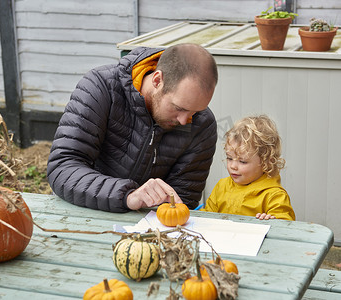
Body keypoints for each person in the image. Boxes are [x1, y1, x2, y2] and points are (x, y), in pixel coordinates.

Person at [47, 43, 218, 213]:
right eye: (179, 108)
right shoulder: (101, 87)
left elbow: (183, 198)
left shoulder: (202, 124)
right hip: (81, 212)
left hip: (144, 229)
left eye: (195, 111)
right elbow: (63, 167)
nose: (184, 120)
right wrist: (127, 196)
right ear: (157, 80)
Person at [202, 115, 295, 220]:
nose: (232, 166)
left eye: (242, 161)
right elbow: (207, 217)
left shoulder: (274, 195)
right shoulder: (221, 187)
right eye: (229, 158)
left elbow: (285, 225)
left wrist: (272, 221)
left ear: (266, 162)